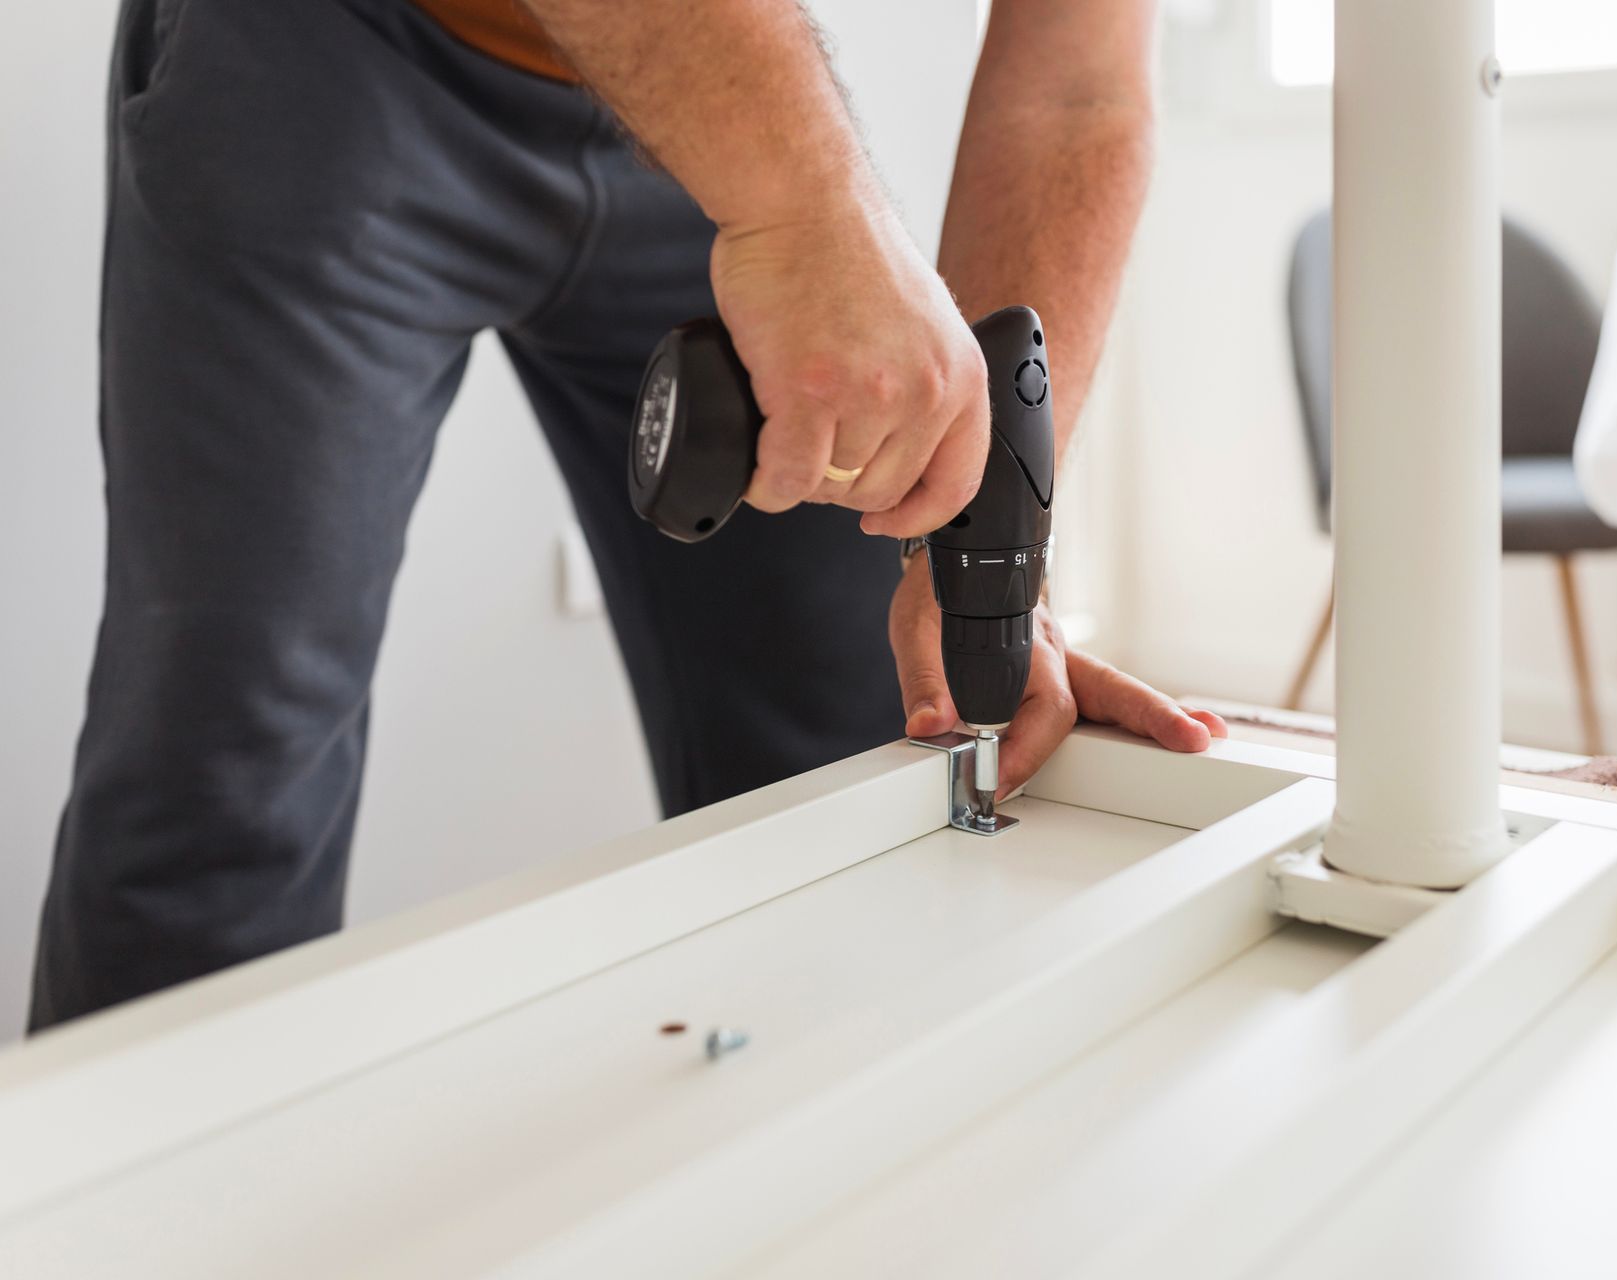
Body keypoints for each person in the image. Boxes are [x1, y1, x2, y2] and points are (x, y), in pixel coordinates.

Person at [29, 0, 1227, 1031]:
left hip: (702, 88)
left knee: (868, 746)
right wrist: (804, 213)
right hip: (330, 53)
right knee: (223, 772)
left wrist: (982, 532)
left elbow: (1076, 85)